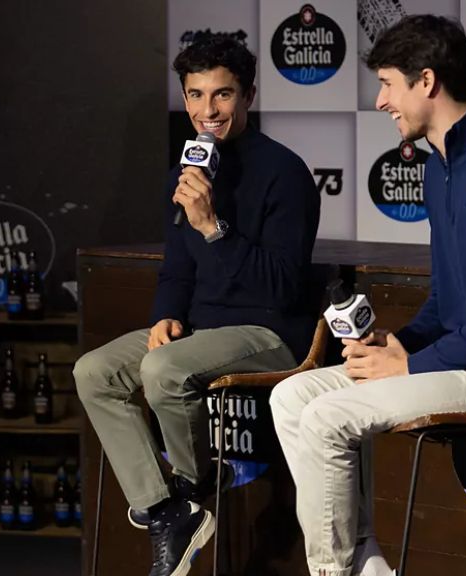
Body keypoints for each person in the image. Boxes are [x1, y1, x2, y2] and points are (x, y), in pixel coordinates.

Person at [269, 15, 466, 576]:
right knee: (291, 399)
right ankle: (364, 563)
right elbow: (448, 299)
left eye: (388, 83)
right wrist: (400, 344)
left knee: (326, 420)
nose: (382, 100)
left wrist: (411, 363)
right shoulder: (438, 168)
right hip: (458, 362)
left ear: (427, 82)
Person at [74, 35, 320, 576]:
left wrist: (214, 226)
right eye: (196, 95)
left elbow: (280, 287)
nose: (208, 111)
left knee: (163, 368)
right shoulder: (183, 174)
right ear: (184, 100)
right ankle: (168, 510)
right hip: (201, 326)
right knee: (93, 371)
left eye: (223, 95)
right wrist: (167, 313)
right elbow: (177, 270)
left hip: (270, 331)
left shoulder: (286, 173)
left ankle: (195, 485)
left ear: (249, 96)